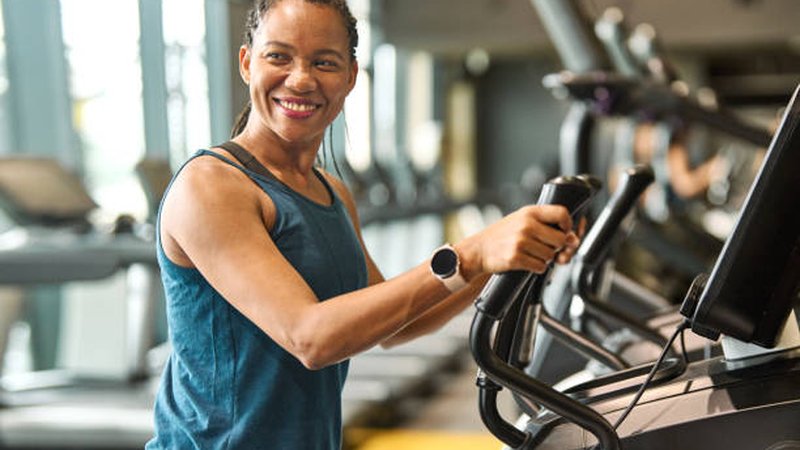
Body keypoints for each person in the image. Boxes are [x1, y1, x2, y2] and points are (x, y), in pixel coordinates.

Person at [146, 0, 582, 448]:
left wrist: (506, 255)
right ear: (246, 63)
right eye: (278, 56)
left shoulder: (332, 192)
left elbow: (399, 325)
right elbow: (309, 337)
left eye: (324, 62)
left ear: (351, 76)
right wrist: (470, 253)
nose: (300, 78)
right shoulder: (212, 186)